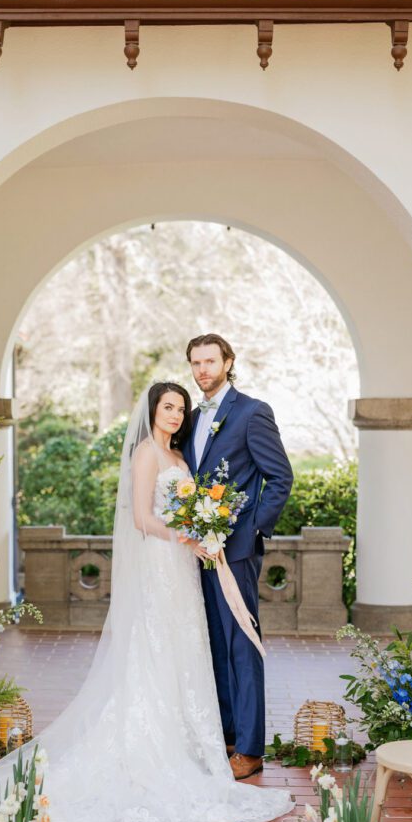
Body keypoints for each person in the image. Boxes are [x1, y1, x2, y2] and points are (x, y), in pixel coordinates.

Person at [0, 381, 293, 822]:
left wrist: (204, 529)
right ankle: (153, 744)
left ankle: (193, 740)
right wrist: (185, 535)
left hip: (186, 568)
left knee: (188, 650)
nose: (177, 414)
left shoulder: (182, 459)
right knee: (156, 651)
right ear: (152, 410)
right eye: (168, 407)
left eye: (181, 407)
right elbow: (142, 518)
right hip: (165, 563)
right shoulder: (147, 454)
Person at [185, 334, 293, 780]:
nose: (202, 369)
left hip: (236, 553)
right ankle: (227, 736)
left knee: (242, 646)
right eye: (195, 363)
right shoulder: (190, 418)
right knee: (212, 643)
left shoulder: (252, 412)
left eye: (210, 361)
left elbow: (279, 477)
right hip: (196, 551)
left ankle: (250, 748)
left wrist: (247, 531)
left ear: (228, 363)